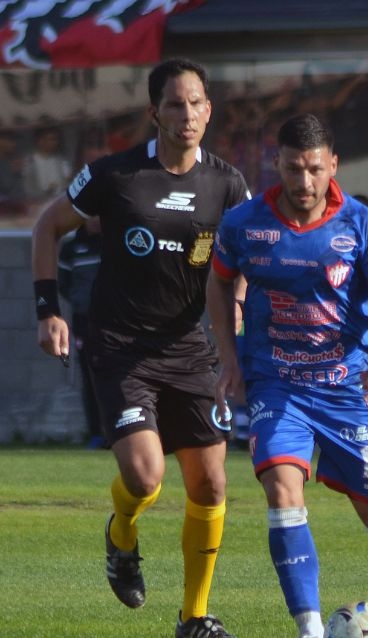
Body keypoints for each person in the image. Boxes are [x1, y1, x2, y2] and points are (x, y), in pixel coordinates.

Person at [206, 113, 368, 638]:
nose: (304, 180)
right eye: (294, 168)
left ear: (333, 165)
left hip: (349, 385)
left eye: (314, 169)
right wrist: (229, 357)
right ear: (277, 164)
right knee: (282, 491)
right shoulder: (244, 224)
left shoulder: (360, 224)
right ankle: (311, 629)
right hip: (278, 383)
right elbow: (219, 281)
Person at [31, 58, 250, 638]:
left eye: (196, 103)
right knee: (147, 476)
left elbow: (243, 260)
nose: (187, 114)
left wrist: (240, 306)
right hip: (121, 348)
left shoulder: (228, 185)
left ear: (209, 110)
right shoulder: (115, 174)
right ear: (154, 112)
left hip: (189, 349)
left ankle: (194, 617)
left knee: (211, 484)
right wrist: (48, 310)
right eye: (175, 104)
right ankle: (121, 534)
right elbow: (47, 227)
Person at [57, 215, 105, 448]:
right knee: (90, 377)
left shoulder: (115, 242)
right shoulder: (71, 247)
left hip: (115, 320)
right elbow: (64, 284)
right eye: (91, 215)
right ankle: (96, 433)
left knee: (120, 377)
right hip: (84, 322)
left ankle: (121, 433)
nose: (95, 220)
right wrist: (81, 303)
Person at [23, 124, 72, 203]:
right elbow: (27, 188)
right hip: (38, 203)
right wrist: (46, 191)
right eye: (51, 139)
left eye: (56, 139)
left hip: (59, 202)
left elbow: (67, 182)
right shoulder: (29, 161)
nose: (55, 142)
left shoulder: (62, 161)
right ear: (40, 141)